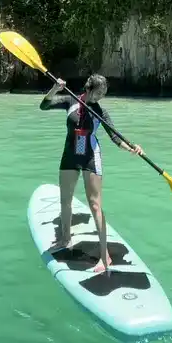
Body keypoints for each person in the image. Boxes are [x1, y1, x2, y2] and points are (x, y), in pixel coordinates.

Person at [39, 74, 142, 274]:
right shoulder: (70, 100)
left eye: (104, 94)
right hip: (70, 155)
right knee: (65, 200)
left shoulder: (100, 111)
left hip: (89, 157)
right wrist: (54, 89)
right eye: (99, 93)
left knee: (95, 205)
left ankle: (106, 257)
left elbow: (115, 136)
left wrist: (132, 148)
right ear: (89, 88)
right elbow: (44, 106)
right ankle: (65, 239)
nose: (101, 97)